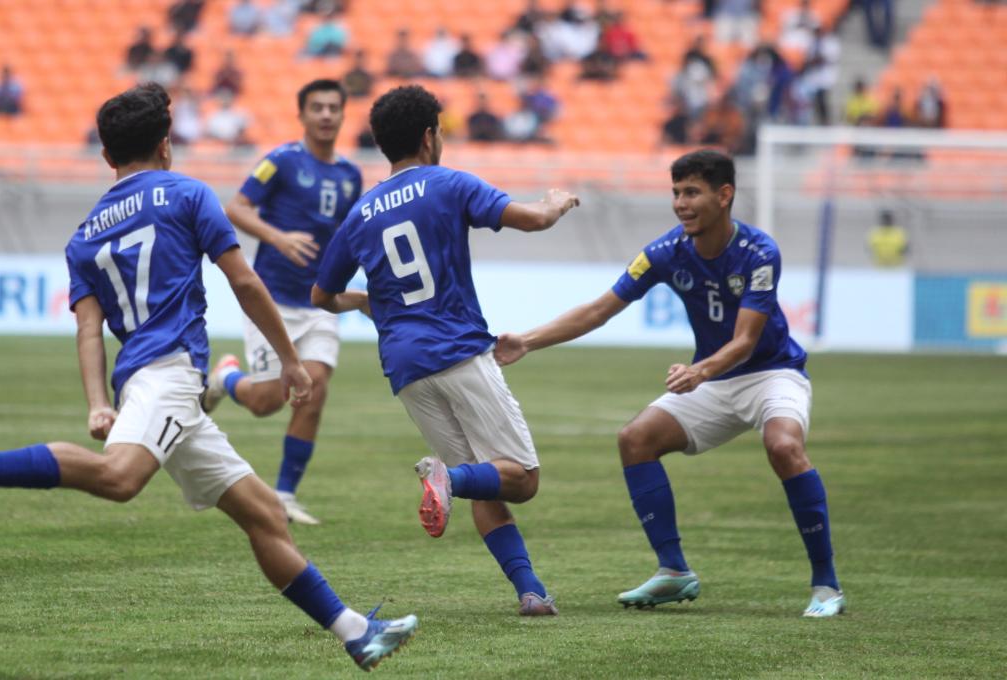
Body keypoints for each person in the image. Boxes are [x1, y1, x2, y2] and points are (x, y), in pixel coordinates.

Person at [0, 83, 417, 671]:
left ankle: (356, 631)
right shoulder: (186, 194)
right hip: (173, 374)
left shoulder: (83, 237)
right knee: (119, 478)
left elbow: (87, 330)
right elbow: (247, 282)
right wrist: (288, 359)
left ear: (107, 157)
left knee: (264, 514)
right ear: (165, 145)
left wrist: (97, 403)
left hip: (146, 380)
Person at [494, 149, 845, 618]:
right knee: (635, 439)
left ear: (724, 195)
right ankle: (674, 570)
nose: (681, 203)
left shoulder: (760, 252)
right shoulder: (663, 252)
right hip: (714, 381)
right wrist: (528, 341)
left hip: (771, 373)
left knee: (784, 447)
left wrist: (700, 370)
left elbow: (745, 342)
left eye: (692, 192)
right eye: (676, 192)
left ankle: (826, 585)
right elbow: (599, 309)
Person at [310, 85, 580, 616]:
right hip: (457, 350)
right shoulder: (448, 183)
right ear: (430, 135)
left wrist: (366, 298)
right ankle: (446, 480)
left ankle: (530, 592)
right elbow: (531, 220)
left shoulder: (360, 213)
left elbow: (321, 296)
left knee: (489, 484)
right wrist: (554, 203)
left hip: (406, 367)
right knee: (521, 479)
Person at [200, 80, 361, 526]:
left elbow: (346, 236)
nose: (326, 115)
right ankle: (225, 378)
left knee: (316, 389)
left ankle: (285, 494)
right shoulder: (282, 161)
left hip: (319, 303)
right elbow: (237, 208)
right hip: (272, 300)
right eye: (317, 108)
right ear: (303, 114)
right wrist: (278, 237)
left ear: (343, 114)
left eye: (333, 107)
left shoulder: (350, 175)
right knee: (267, 400)